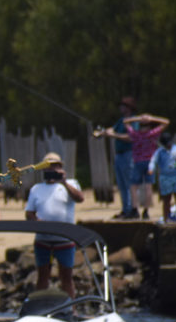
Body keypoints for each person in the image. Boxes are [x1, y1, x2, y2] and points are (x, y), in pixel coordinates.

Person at [25, 152, 85, 298]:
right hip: (43, 239)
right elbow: (29, 213)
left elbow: (80, 198)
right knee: (42, 277)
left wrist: (64, 183)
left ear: (60, 168)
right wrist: (37, 222)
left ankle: (71, 309)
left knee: (66, 278)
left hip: (65, 239)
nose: (51, 170)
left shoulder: (71, 184)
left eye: (55, 167)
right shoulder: (36, 188)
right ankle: (40, 309)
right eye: (48, 167)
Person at [93, 97, 138, 219]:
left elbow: (131, 137)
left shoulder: (134, 120)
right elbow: (111, 129)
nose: (120, 107)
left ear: (129, 108)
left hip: (129, 154)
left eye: (123, 105)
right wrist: (102, 132)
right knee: (121, 184)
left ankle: (132, 210)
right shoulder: (121, 121)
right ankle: (125, 209)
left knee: (129, 183)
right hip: (119, 155)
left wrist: (113, 135)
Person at [149, 131, 176, 224]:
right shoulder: (160, 151)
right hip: (165, 177)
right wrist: (151, 169)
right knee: (166, 199)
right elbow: (153, 161)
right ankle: (165, 218)